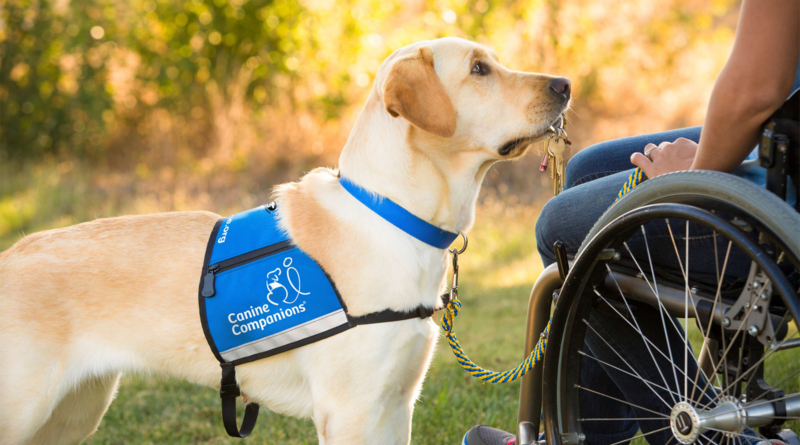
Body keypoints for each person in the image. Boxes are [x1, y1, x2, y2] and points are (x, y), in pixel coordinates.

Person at [463, 2, 798, 445]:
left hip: (783, 202)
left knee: (562, 229)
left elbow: (755, 90)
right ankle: (589, 435)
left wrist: (697, 171)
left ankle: (707, 439)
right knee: (589, 170)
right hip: (786, 147)